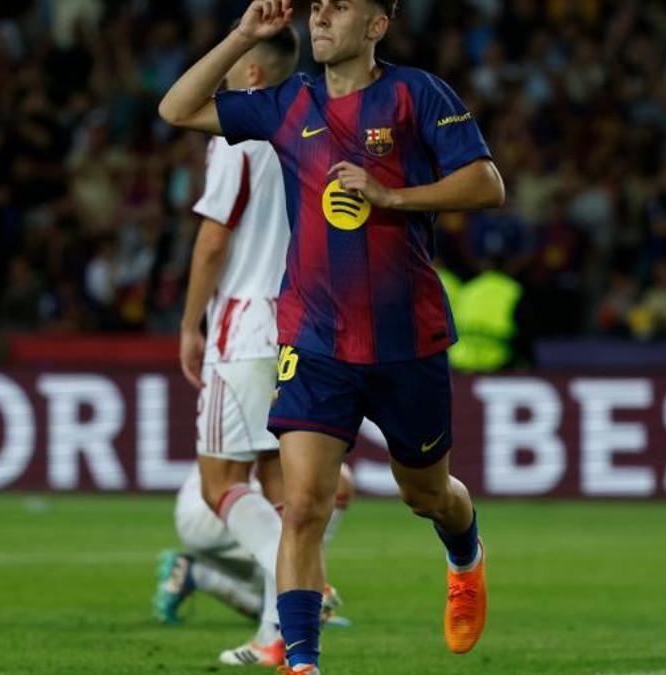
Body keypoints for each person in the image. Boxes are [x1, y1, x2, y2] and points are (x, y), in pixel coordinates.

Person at [158, 1, 506, 673]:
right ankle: (302, 663)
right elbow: (176, 109)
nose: (321, 17)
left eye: (339, 7)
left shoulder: (415, 94)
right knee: (303, 507)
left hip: (407, 340)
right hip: (314, 340)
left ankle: (465, 555)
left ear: (377, 25)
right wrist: (243, 36)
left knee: (426, 494)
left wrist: (392, 196)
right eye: (316, 7)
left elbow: (486, 184)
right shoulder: (288, 103)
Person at [173, 22, 300, 667]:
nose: (220, 74)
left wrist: (191, 323)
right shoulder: (309, 129)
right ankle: (282, 632)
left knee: (220, 480)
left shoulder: (236, 135)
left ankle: (290, 613)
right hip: (300, 323)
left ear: (252, 73)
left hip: (246, 321)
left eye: (230, 64)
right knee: (281, 484)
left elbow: (214, 239)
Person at [154, 463, 356, 630]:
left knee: (274, 601)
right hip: (216, 509)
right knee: (336, 479)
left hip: (200, 508)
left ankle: (198, 574)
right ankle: (305, 591)